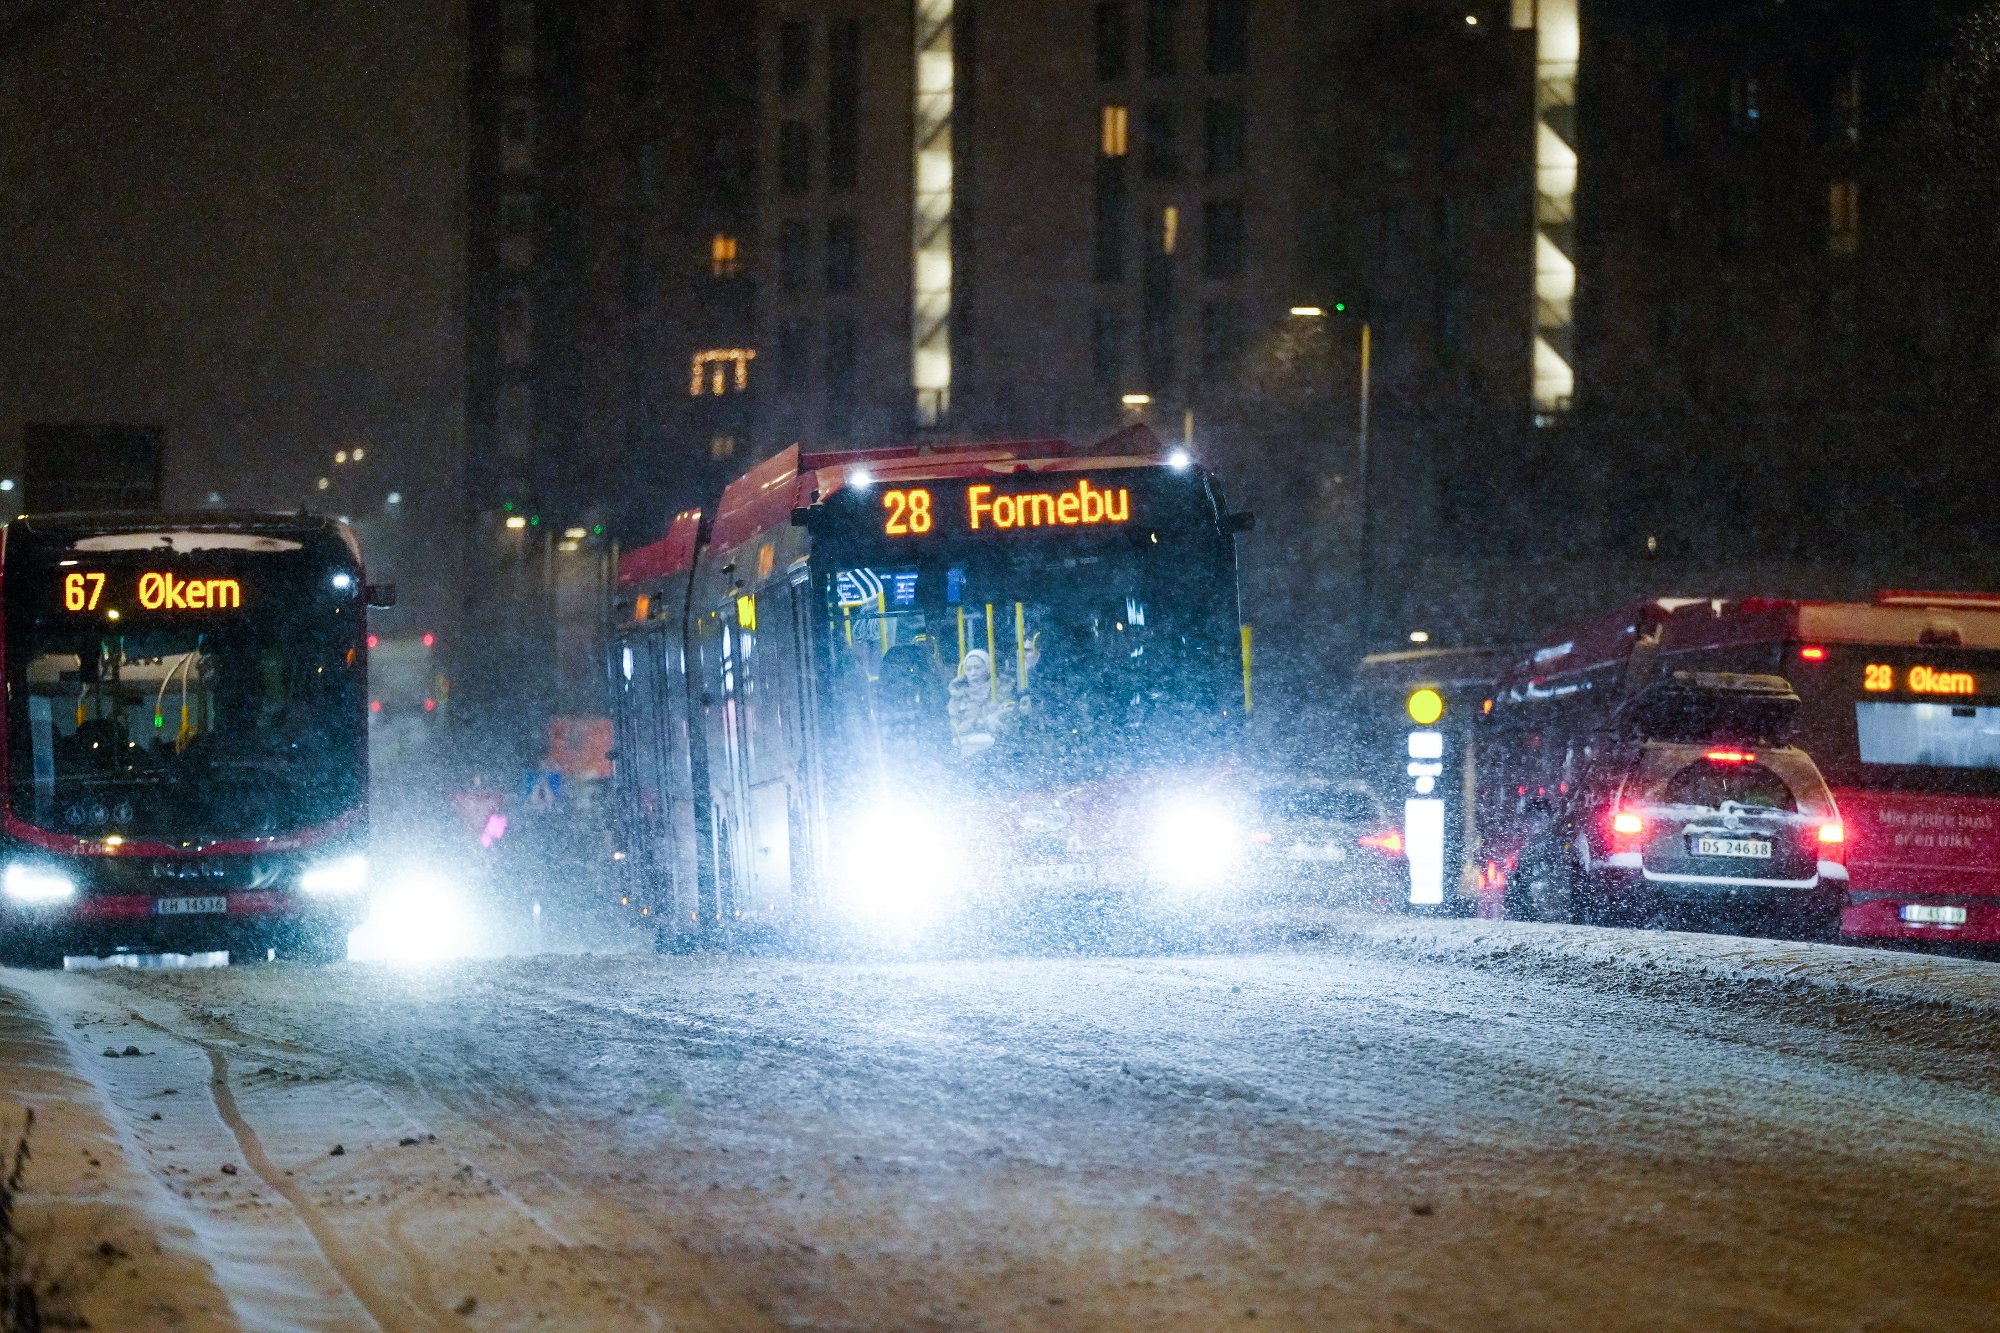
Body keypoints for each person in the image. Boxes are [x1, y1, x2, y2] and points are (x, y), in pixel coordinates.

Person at [947, 648, 1015, 756]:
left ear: (987, 668)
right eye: (968, 669)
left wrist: (992, 722)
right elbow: (954, 727)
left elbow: (1008, 715)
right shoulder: (957, 696)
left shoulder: (1003, 689)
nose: (973, 673)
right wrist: (975, 725)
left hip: (999, 744)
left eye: (977, 667)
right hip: (968, 746)